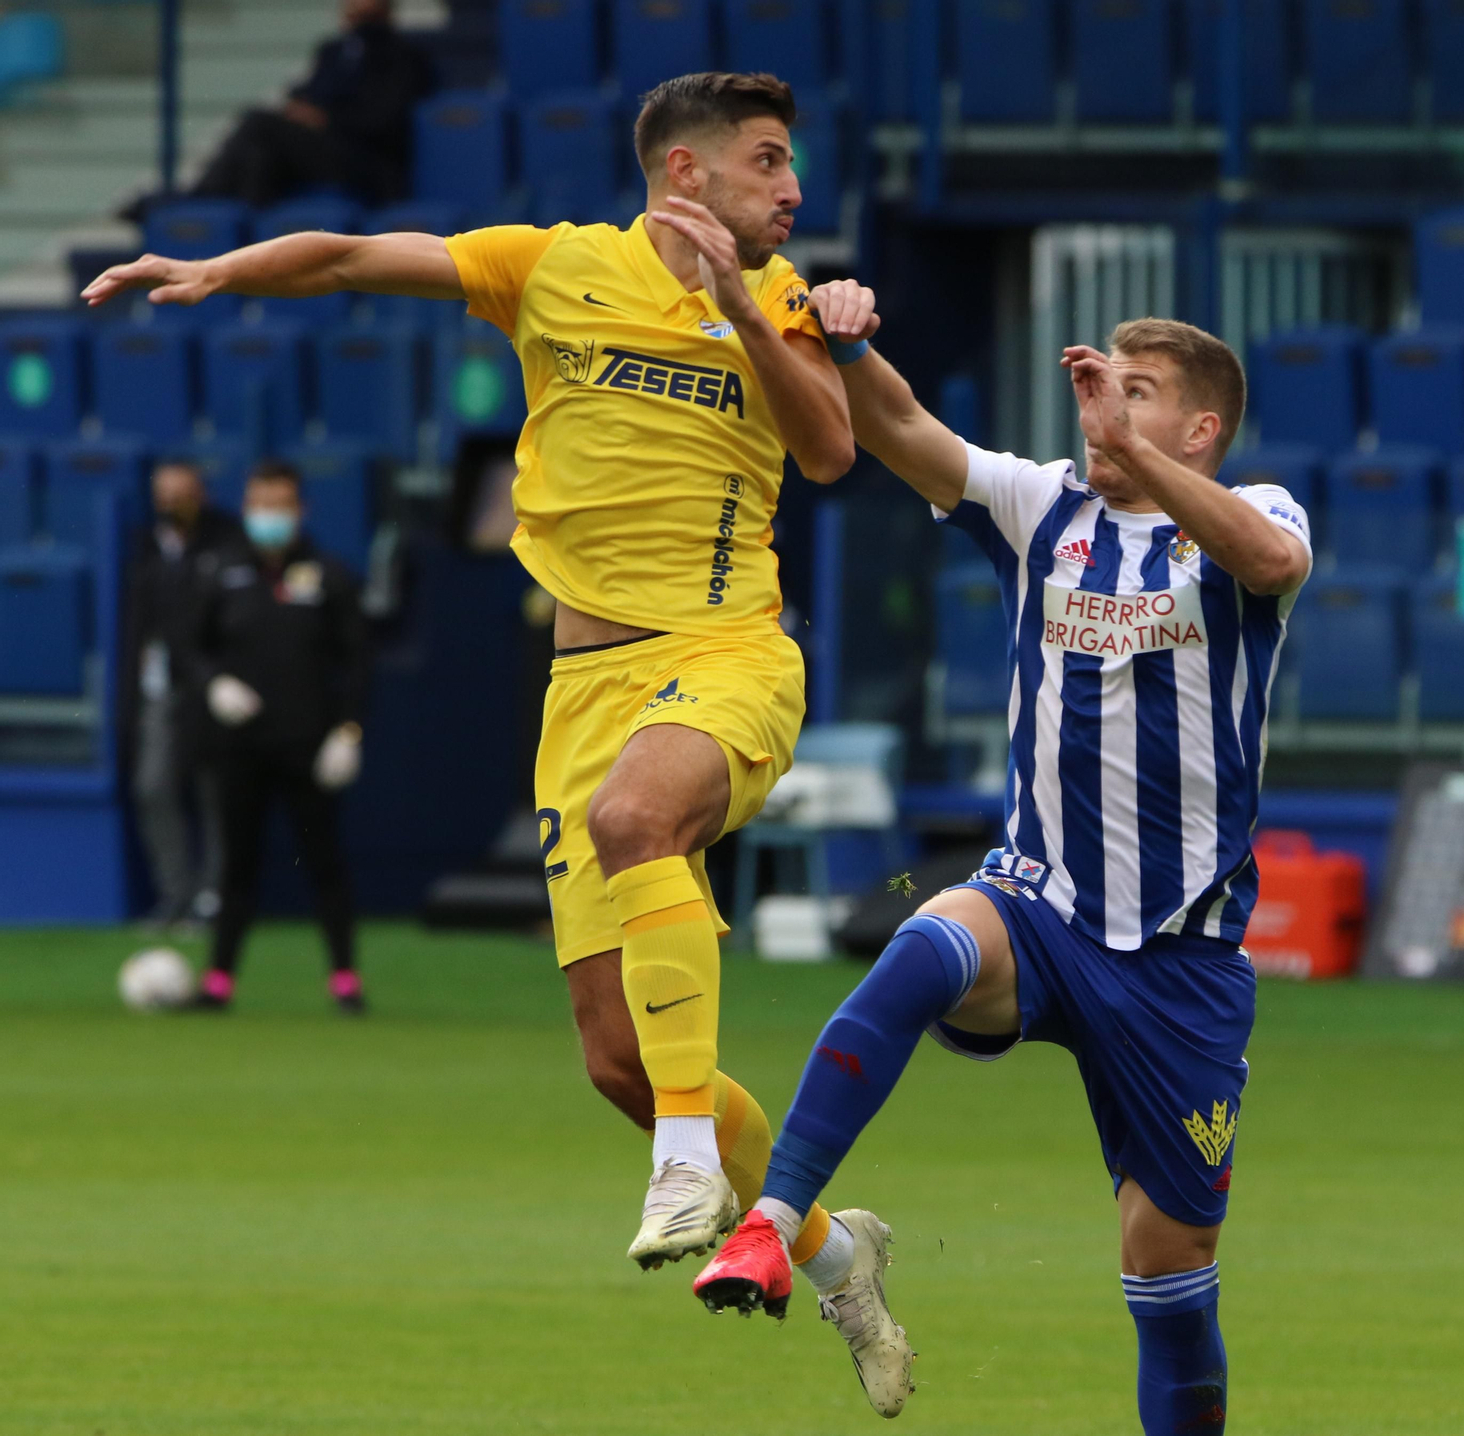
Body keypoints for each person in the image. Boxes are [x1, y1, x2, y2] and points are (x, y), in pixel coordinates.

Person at [83, 72, 888, 1351]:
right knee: (617, 1059)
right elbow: (350, 256)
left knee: (642, 819)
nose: (794, 189)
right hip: (585, 684)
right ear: (685, 173)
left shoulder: (785, 297)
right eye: (769, 162)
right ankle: (834, 1247)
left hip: (728, 649)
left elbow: (834, 452)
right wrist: (222, 268)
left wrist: (740, 305)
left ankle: (690, 1165)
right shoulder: (551, 267)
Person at [696, 290, 1312, 1430]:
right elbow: (901, 430)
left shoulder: (1250, 511)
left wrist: (1135, 455)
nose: (1105, 413)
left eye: (1141, 395)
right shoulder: (1043, 507)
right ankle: (775, 1220)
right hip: (1041, 907)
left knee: (1168, 1274)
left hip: (1181, 963)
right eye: (1102, 388)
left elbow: (1269, 560)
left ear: (1200, 431)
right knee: (926, 940)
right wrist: (848, 343)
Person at [190, 461, 369, 1013]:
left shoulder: (329, 574)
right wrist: (214, 683)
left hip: (310, 748)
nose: (270, 515)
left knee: (324, 863)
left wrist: (348, 731)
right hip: (239, 747)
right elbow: (189, 646)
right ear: (246, 510)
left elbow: (358, 660)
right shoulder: (221, 570)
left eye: (281, 504)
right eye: (260, 504)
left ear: (301, 509)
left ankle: (345, 980)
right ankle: (218, 981)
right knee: (235, 864)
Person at [124, 459, 243, 928]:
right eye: (163, 494)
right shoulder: (147, 548)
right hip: (163, 688)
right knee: (152, 786)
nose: (171, 502)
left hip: (214, 688)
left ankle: (214, 898)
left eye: (180, 492)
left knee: (216, 794)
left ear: (202, 494)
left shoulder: (229, 543)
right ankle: (176, 893)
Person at [188, 0, 433, 208]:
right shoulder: (333, 50)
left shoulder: (404, 55)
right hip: (319, 150)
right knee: (258, 157)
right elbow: (305, 93)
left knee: (259, 122)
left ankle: (198, 198)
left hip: (365, 160)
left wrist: (325, 119)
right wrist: (300, 111)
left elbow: (384, 121)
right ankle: (244, 242)